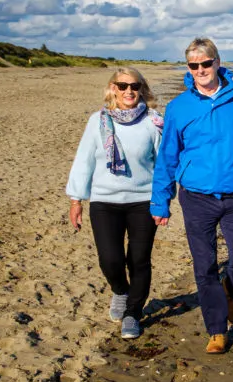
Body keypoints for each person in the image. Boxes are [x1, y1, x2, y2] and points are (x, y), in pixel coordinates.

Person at [150, 37, 233, 355]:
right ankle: (217, 331)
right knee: (204, 266)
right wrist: (161, 200)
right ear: (188, 68)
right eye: (194, 65)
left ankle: (232, 292)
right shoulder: (179, 107)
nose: (201, 69)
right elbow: (168, 157)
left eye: (206, 63)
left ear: (217, 62)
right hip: (197, 198)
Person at [66, 68, 163, 340]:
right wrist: (76, 200)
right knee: (110, 260)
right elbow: (84, 160)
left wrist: (164, 199)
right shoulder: (97, 121)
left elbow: (165, 164)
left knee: (139, 260)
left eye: (135, 86)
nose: (129, 91)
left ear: (142, 89)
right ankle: (121, 291)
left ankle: (133, 313)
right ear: (113, 89)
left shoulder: (154, 122)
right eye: (122, 86)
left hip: (143, 201)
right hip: (104, 202)